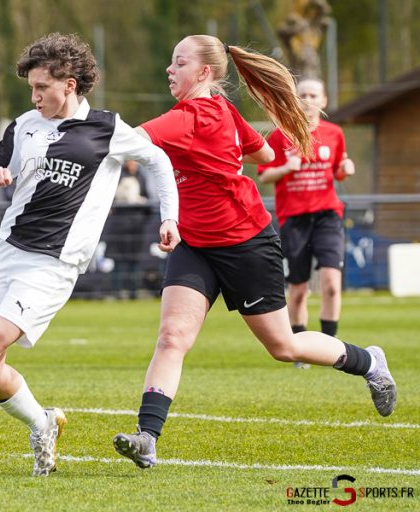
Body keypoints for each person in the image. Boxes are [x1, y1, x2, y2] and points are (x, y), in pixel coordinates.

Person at [0, 33, 180, 476]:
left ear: (70, 84)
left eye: (42, 87)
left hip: (53, 264)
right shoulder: (25, 124)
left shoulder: (107, 128)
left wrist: (169, 217)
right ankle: (43, 422)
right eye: (31, 87)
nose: (35, 95)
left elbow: (158, 160)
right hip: (6, 250)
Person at [112, 35, 397, 470]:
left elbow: (127, 142)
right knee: (172, 337)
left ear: (204, 72)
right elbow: (262, 151)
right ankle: (147, 437)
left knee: (284, 346)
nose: (171, 70)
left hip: (246, 242)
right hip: (196, 243)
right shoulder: (223, 110)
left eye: (180, 62)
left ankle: (368, 361)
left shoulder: (191, 114)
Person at [257, 78, 355, 368]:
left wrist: (346, 170)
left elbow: (338, 170)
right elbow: (263, 175)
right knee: (298, 290)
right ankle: (301, 348)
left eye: (314, 95)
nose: (308, 99)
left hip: (327, 215)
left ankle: (331, 345)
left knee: (331, 283)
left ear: (324, 101)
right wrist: (286, 167)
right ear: (294, 99)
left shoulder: (334, 134)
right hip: (294, 218)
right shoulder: (280, 136)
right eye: (303, 94)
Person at [105, 160, 150, 299]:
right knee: (118, 260)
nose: (133, 164)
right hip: (119, 225)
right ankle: (117, 291)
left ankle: (133, 291)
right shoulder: (118, 174)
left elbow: (147, 197)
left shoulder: (141, 176)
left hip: (136, 226)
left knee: (134, 260)